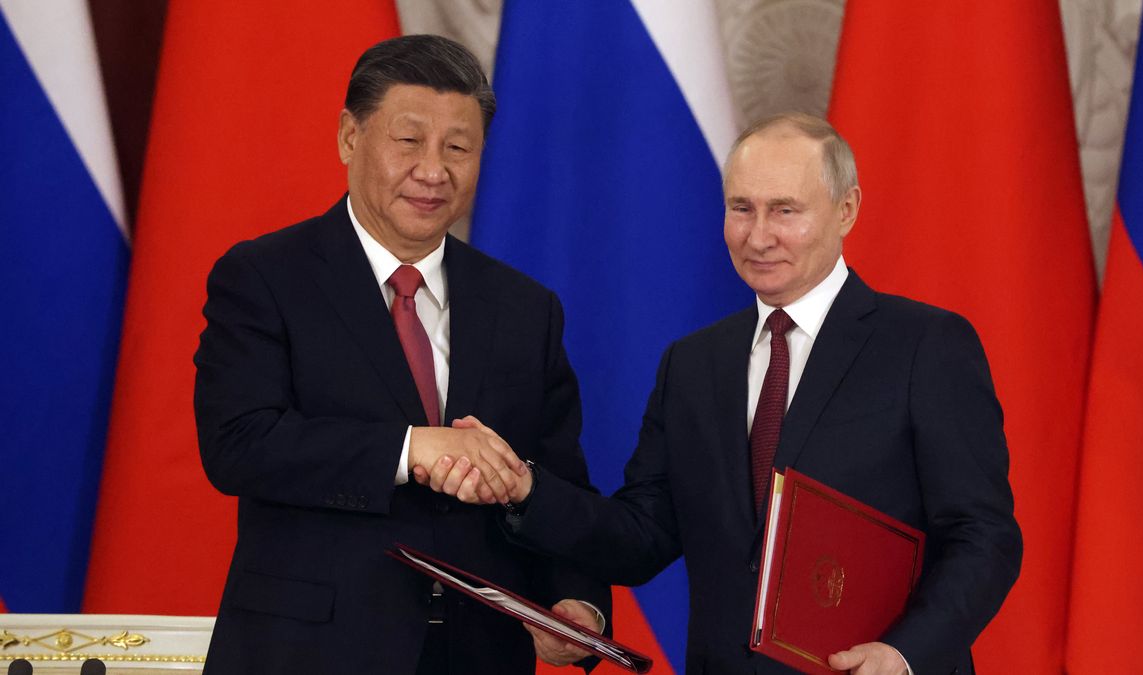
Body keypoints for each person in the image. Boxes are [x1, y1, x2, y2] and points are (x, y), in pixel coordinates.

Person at [429, 113, 1022, 674]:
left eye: (785, 210)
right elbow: (642, 537)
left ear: (847, 210)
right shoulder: (693, 364)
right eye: (742, 208)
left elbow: (984, 535)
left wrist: (904, 653)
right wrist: (526, 488)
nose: (758, 236)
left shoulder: (926, 345)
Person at [193, 35, 609, 675]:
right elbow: (239, 444)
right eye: (409, 141)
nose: (434, 170)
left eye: (459, 148)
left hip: (479, 654)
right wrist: (413, 449)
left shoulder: (526, 307)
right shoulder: (264, 277)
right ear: (349, 138)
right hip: (308, 654)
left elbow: (557, 480)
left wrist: (573, 598)